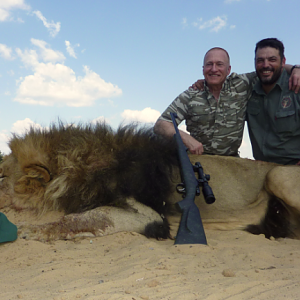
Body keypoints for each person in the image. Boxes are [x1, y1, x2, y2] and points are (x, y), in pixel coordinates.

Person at [154, 44, 300, 157]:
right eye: (209, 64)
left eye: (219, 64)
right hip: (199, 160)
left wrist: (295, 68)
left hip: (231, 163)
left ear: (228, 69)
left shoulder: (242, 83)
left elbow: (269, 68)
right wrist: (185, 138)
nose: (214, 69)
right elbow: (161, 124)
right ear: (203, 68)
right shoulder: (190, 95)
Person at [247, 38, 300, 165]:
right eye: (260, 60)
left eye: (272, 60)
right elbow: (218, 79)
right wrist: (201, 83)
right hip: (260, 167)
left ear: (283, 62)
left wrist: (296, 68)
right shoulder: (247, 88)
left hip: (293, 167)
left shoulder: (296, 85)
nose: (266, 65)